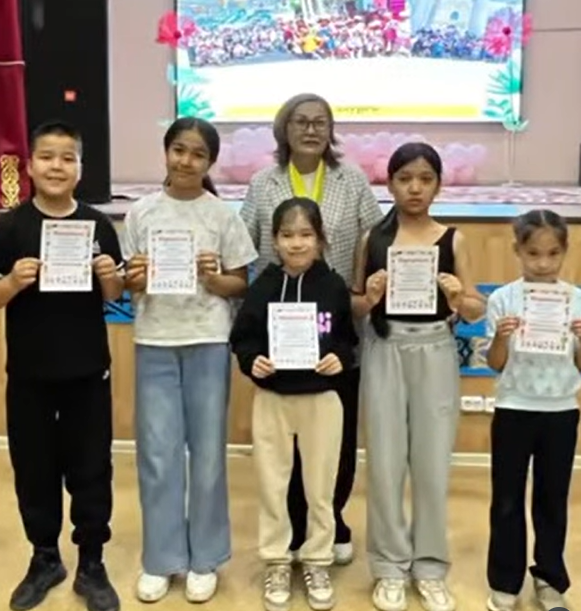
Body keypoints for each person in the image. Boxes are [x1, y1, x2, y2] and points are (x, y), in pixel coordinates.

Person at [0, 120, 125, 611]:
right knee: (34, 469)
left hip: (88, 372)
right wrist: (12, 282)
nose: (57, 166)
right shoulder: (10, 227)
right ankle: (44, 558)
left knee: (92, 468)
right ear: (30, 166)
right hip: (30, 375)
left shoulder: (98, 225)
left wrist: (109, 275)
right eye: (47, 157)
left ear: (80, 168)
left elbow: (115, 294)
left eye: (67, 158)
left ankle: (92, 562)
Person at [241, 93, 382, 565]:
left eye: (320, 122)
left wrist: (362, 290)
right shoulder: (263, 182)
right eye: (300, 121)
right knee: (286, 443)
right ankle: (293, 528)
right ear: (284, 128)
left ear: (331, 129)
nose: (310, 129)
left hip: (333, 330)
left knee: (333, 439)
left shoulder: (351, 178)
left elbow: (373, 237)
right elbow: (243, 243)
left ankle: (332, 520)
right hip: (278, 332)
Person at [122, 117, 257, 604]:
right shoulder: (140, 213)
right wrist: (135, 277)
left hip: (208, 340)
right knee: (158, 456)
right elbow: (126, 282)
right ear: (166, 152)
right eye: (179, 150)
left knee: (208, 454)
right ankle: (161, 560)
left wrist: (214, 278)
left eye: (198, 154)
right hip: (155, 340)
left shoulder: (222, 216)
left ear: (210, 162)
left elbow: (239, 284)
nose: (186, 161)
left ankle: (205, 558)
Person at [352, 143, 484, 611]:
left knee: (431, 465)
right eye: (405, 178)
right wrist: (368, 298)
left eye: (425, 179)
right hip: (385, 349)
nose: (415, 188)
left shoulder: (453, 240)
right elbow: (353, 305)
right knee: (385, 463)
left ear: (438, 185)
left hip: (435, 350)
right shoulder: (373, 238)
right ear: (389, 183)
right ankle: (388, 566)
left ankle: (429, 566)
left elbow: (475, 308)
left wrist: (459, 298)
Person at [230, 197, 357, 611]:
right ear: (274, 240)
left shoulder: (333, 286)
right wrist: (252, 361)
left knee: (320, 488)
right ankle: (277, 561)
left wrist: (339, 357)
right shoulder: (263, 287)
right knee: (273, 486)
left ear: (320, 239)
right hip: (272, 400)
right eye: (287, 235)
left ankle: (317, 560)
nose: (296, 243)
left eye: (305, 234)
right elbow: (243, 338)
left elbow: (346, 339)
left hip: (322, 400)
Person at [484, 210, 581, 611]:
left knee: (552, 498)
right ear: (518, 251)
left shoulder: (576, 300)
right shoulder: (503, 299)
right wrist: (502, 337)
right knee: (507, 499)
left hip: (561, 409)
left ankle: (549, 579)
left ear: (565, 252)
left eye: (553, 253)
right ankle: (505, 581)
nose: (543, 264)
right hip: (514, 407)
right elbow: (495, 363)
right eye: (534, 254)